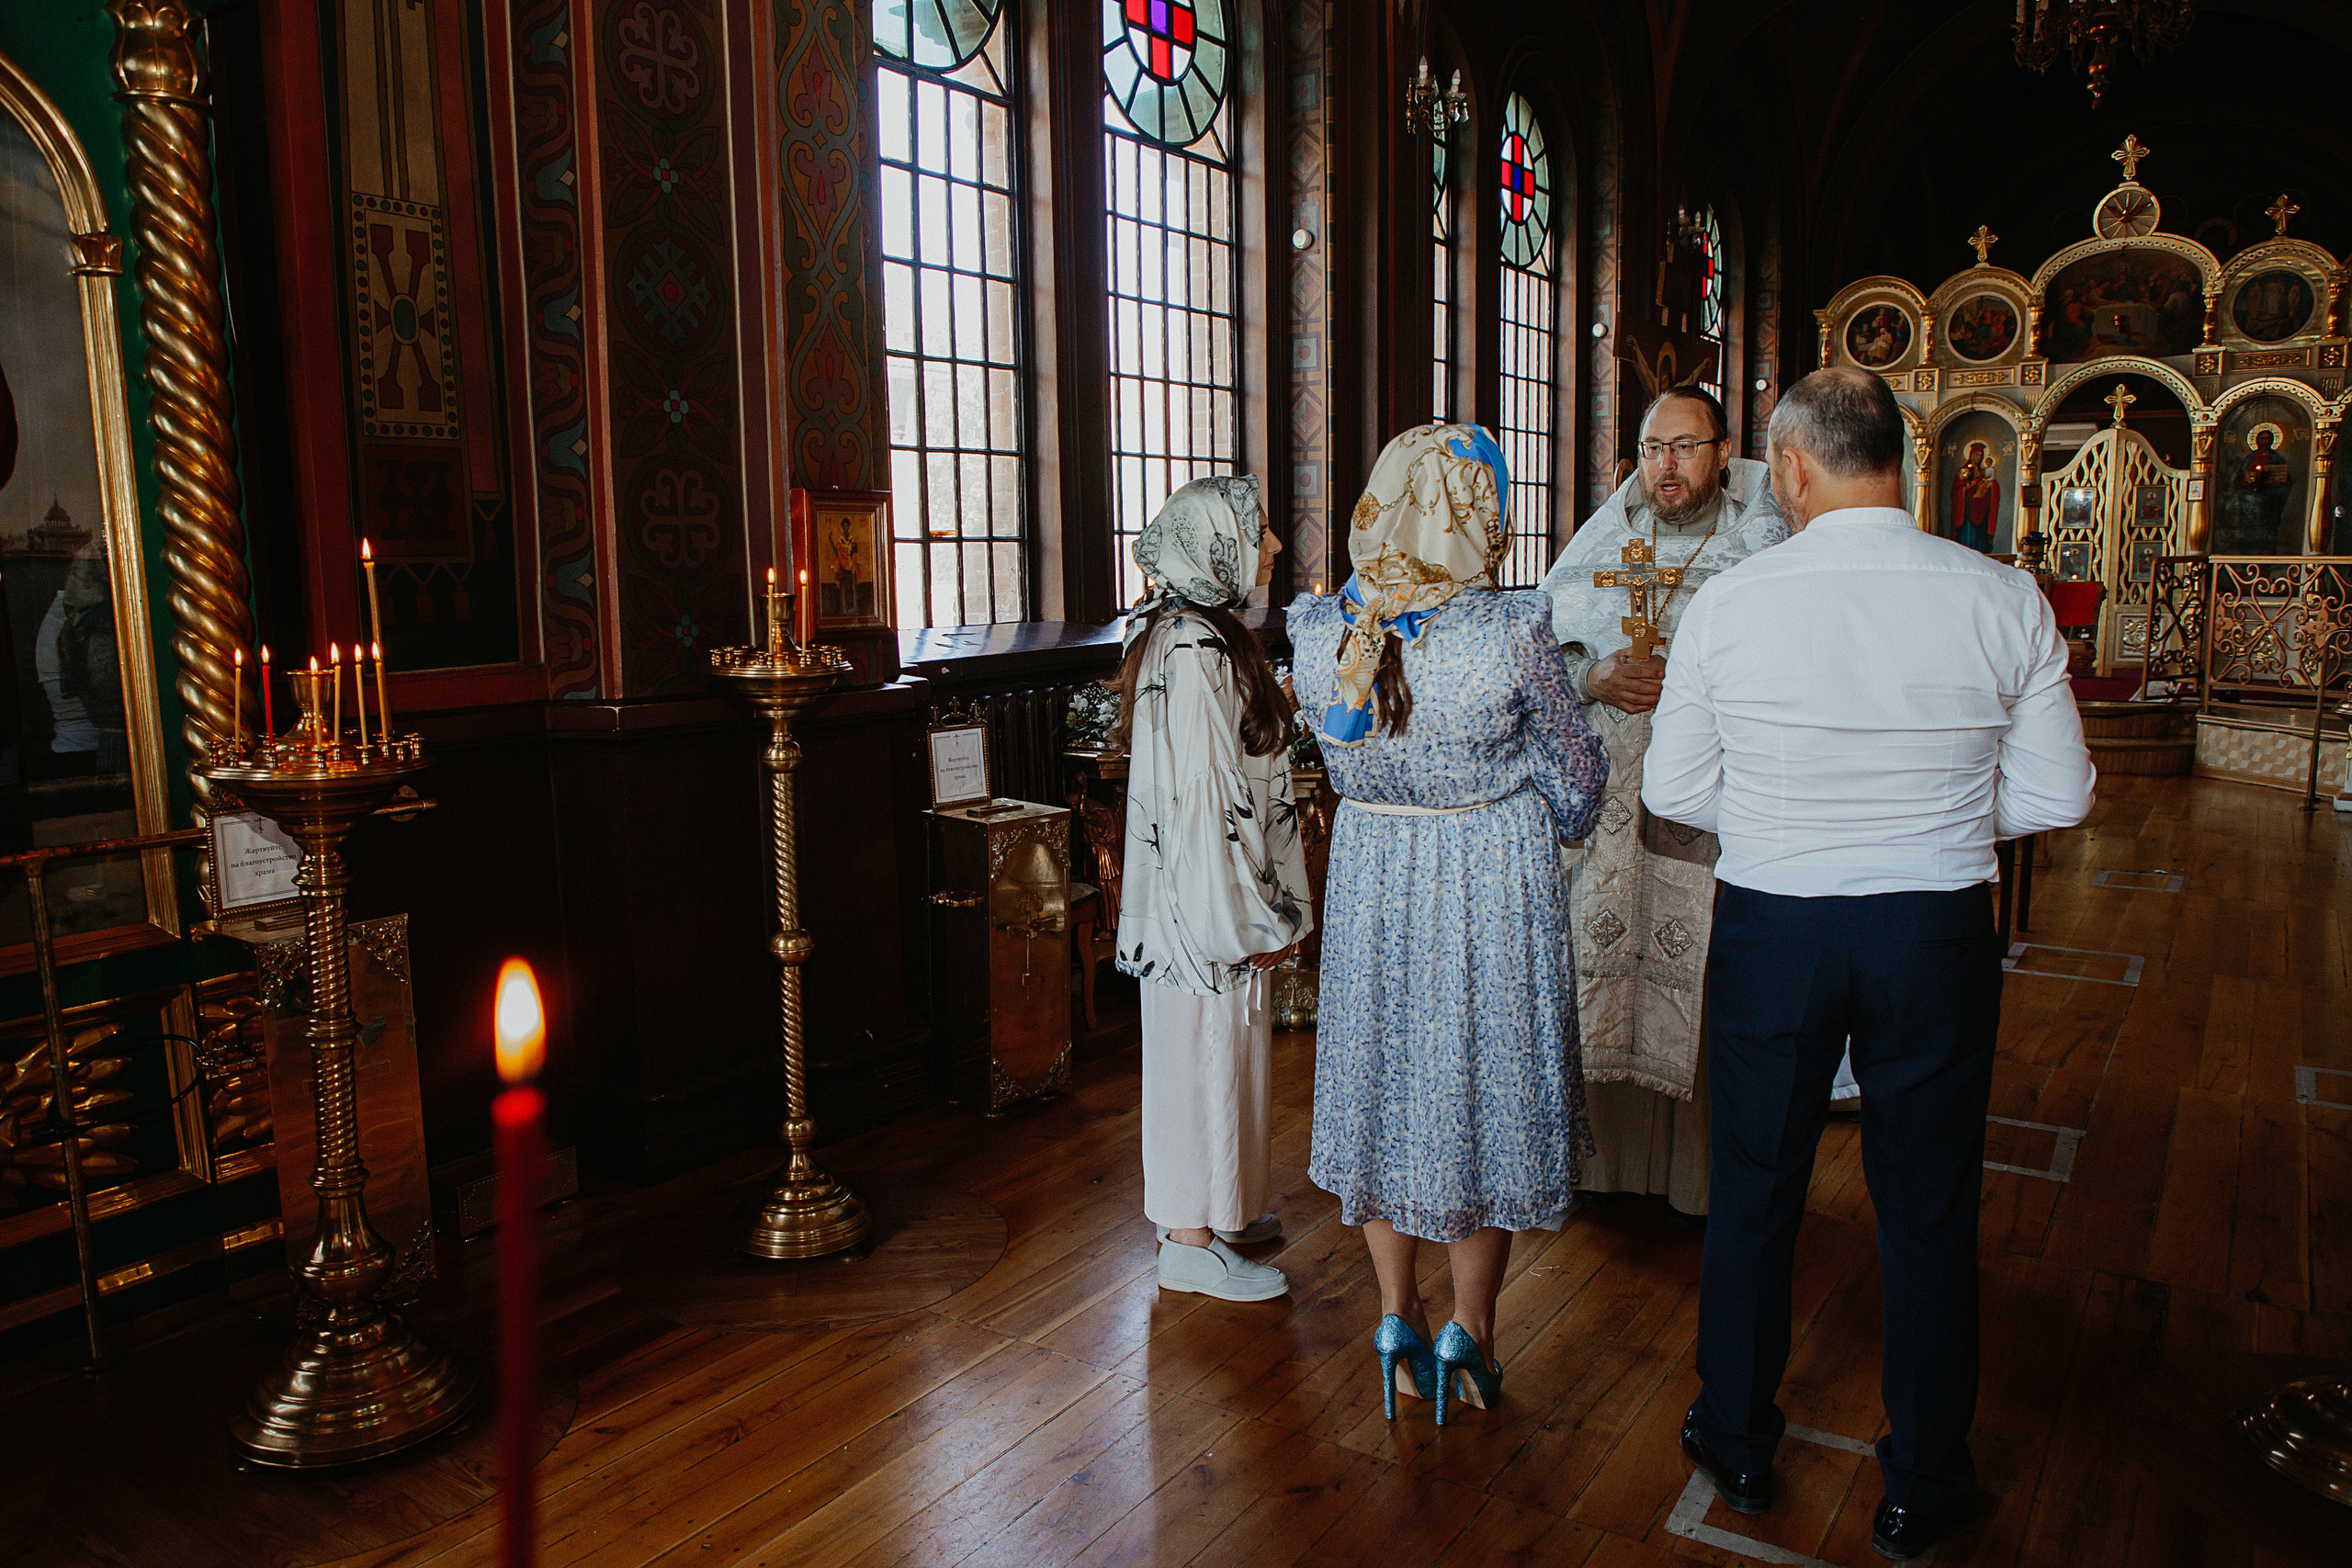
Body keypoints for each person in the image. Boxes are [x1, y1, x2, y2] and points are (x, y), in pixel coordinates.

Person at [1643, 367, 2095, 1561]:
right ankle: (1925, 1479)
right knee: (1930, 1202)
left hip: (1775, 923)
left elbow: (1673, 789)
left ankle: (1736, 1437)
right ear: (1900, 456)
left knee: (1754, 1186)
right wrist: (1933, 821)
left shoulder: (1733, 603)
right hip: (1933, 928)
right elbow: (2058, 793)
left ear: (1791, 468)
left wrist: (1788, 822)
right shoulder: (2000, 595)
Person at [1293, 423, 1608, 1426]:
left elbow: (1331, 753)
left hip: (1372, 878)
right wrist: (1556, 808)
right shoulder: (1510, 629)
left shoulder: (1317, 627)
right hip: (1486, 883)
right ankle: (1470, 1331)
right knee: (1479, 1088)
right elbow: (1576, 774)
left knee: (1384, 1084)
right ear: (1477, 511)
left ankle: (1395, 1317)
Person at [1538, 388, 1786, 1226]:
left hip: (1710, 797)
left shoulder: (1761, 544)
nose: (1665, 466)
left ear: (1723, 451)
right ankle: (1598, 1169)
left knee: (1705, 968)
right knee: (1596, 956)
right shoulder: (1602, 542)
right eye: (1652, 448)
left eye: (1684, 447)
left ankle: (1697, 1181)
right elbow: (1540, 648)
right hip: (1607, 807)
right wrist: (1593, 676)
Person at [1112, 475, 1315, 1303]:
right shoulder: (1194, 646)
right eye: (1259, 531)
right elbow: (1205, 799)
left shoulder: (1198, 632)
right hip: (1203, 906)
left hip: (1203, 898)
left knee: (1219, 1057)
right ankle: (1188, 1241)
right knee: (1199, 1060)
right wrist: (1250, 917)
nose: (1273, 546)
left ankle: (1216, 1211)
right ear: (1217, 544)